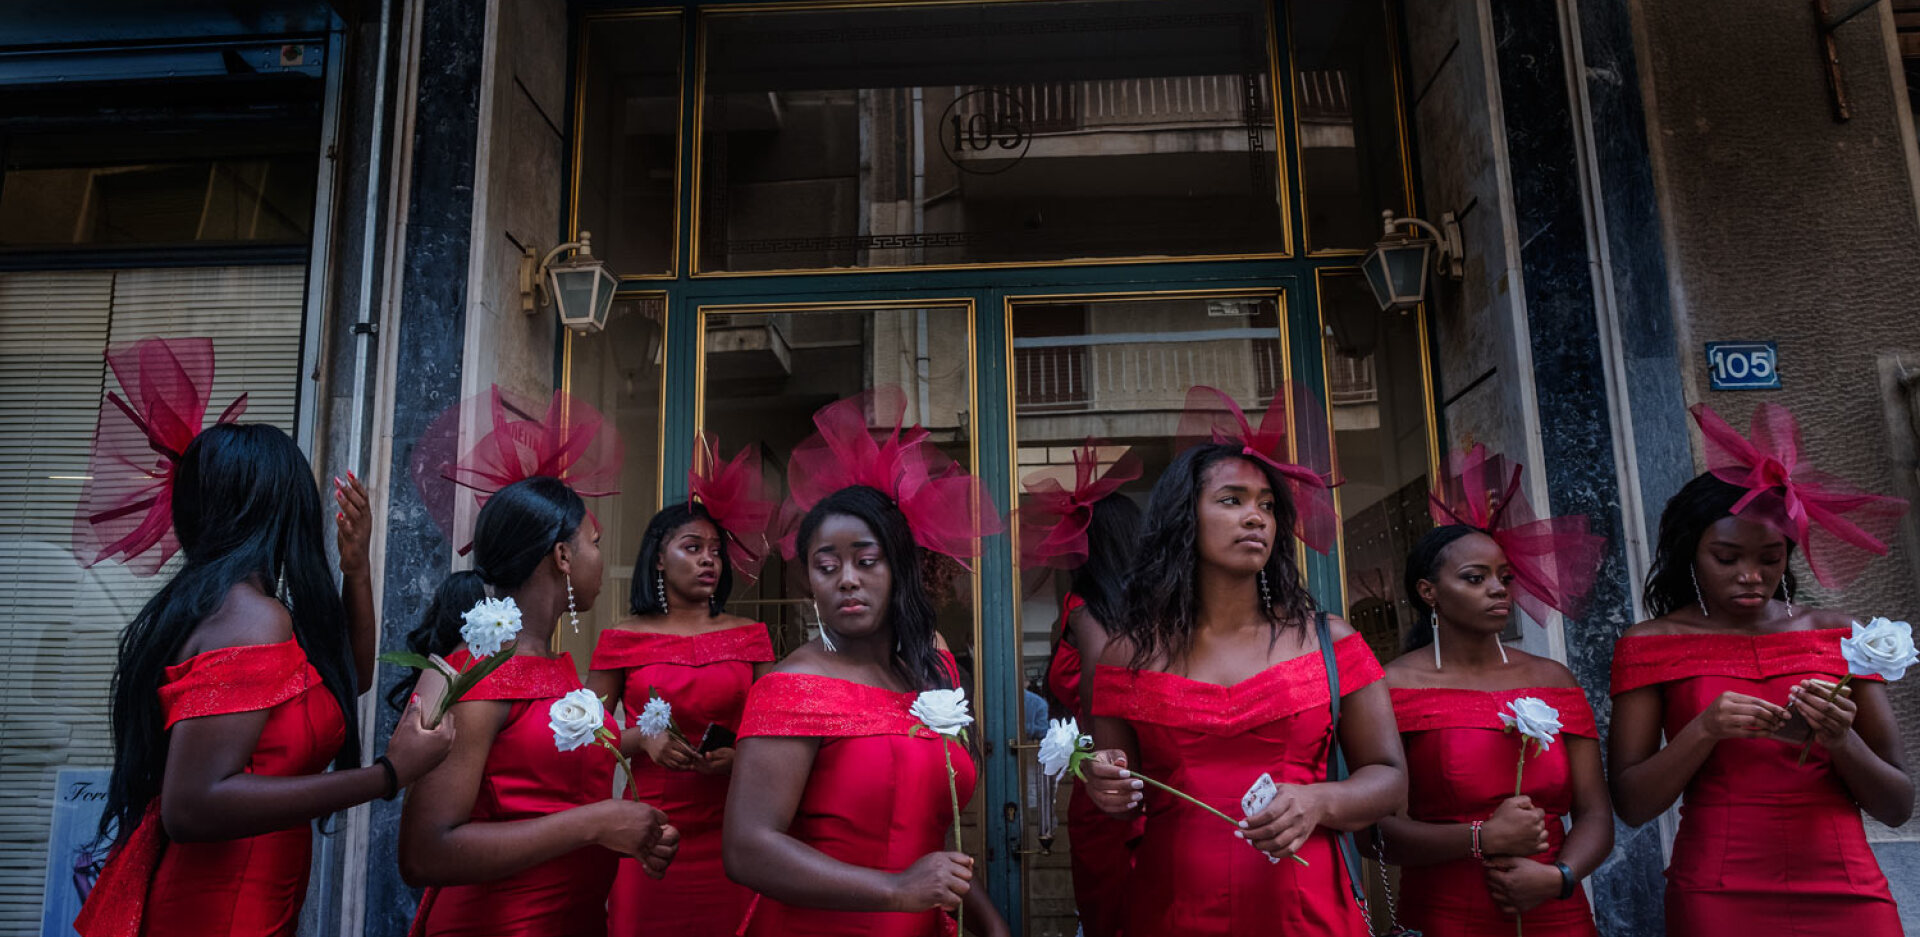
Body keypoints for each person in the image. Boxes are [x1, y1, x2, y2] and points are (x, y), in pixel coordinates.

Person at [76, 413, 453, 937]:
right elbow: (192, 805)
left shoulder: (232, 607)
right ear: (283, 508)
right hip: (220, 911)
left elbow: (347, 680)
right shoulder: (250, 617)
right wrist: (387, 775)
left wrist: (357, 570)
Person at [1083, 387, 1406, 937]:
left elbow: (1391, 780)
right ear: (1185, 519)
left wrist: (1320, 801)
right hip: (1173, 909)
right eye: (1232, 500)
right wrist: (1104, 785)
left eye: (1267, 505)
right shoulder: (1128, 654)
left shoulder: (1329, 641)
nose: (1255, 517)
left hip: (1307, 912)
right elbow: (1122, 796)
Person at [1609, 403, 1911, 935]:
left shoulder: (1838, 633)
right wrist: (1704, 729)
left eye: (1770, 558)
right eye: (1727, 558)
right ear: (1692, 553)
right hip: (1719, 885)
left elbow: (1897, 805)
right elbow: (1632, 805)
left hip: (1845, 883)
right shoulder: (1652, 643)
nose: (1751, 575)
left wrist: (1840, 740)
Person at [723, 391, 1011, 937]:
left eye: (866, 560)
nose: (847, 579)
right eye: (826, 566)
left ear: (900, 568)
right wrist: (897, 889)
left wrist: (993, 924)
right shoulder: (792, 686)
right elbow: (747, 848)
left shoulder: (932, 673)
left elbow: (929, 840)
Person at [398, 477, 679, 937]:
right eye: (594, 543)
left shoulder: (552, 667)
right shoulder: (474, 672)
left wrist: (630, 833)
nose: (600, 558)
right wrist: (594, 824)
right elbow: (424, 854)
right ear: (563, 557)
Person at [588, 435, 776, 937]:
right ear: (658, 559)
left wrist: (742, 756)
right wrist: (641, 739)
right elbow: (582, 738)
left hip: (736, 829)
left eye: (715, 551)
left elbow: (778, 735)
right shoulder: (621, 638)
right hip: (649, 834)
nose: (709, 559)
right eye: (693, 548)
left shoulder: (751, 636)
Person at [1381, 526, 1611, 936]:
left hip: (1554, 910)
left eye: (1504, 578)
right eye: (1475, 578)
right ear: (1428, 592)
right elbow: (1375, 834)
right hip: (1446, 914)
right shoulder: (1392, 687)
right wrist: (1480, 837)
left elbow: (1595, 814)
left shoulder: (1554, 680)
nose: (1498, 589)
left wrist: (1559, 877)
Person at [1021, 441, 1144, 937]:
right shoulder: (1148, 615)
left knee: (1112, 912)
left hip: (1105, 778)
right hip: (1145, 774)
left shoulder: (1084, 611)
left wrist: (1091, 753)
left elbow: (1099, 700)